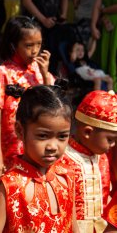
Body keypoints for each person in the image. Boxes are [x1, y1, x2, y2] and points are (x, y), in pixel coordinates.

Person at [0, 82, 80, 232]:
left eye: (62, 136)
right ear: (20, 131)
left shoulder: (67, 175)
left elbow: (73, 226)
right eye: (43, 136)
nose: (53, 146)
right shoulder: (11, 186)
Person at [0, 16, 54, 178]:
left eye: (39, 44)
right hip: (12, 145)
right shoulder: (3, 72)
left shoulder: (39, 69)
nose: (35, 50)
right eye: (29, 45)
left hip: (38, 140)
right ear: (14, 45)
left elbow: (53, 102)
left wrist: (44, 74)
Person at [60, 90, 117, 232]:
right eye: (110, 140)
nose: (113, 145)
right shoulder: (61, 157)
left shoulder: (103, 157)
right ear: (87, 132)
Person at [20, 0, 68, 75]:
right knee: (33, 55)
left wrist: (63, 15)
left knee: (52, 58)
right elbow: (26, 1)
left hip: (54, 24)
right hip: (34, 25)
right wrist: (43, 19)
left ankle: (49, 81)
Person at [91, 0, 117, 91]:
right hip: (106, 27)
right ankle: (105, 94)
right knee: (103, 59)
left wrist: (104, 10)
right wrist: (93, 26)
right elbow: (96, 5)